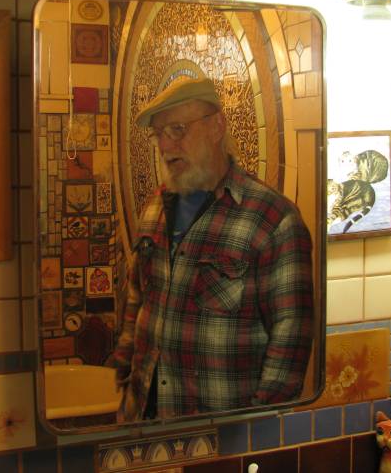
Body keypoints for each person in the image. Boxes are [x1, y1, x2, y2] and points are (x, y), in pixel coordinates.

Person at [110, 76, 314, 422]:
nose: (165, 145)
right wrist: (124, 377)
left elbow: (288, 352)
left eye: (177, 129)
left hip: (222, 443)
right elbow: (137, 300)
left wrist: (251, 437)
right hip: (141, 426)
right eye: (158, 134)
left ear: (217, 125)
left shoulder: (272, 221)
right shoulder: (154, 210)